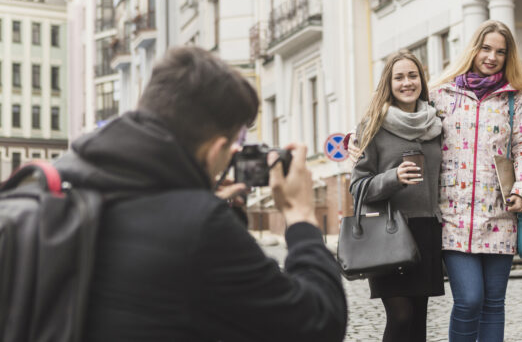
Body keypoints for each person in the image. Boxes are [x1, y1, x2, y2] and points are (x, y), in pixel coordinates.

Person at [54, 46, 347, 342]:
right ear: (215, 151)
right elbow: (318, 325)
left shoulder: (62, 179)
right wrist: (301, 216)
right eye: (234, 142)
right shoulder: (199, 226)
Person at [429, 20, 522, 342]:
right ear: (473, 49)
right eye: (486, 48)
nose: (492, 57)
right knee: (469, 300)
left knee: (493, 304)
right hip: (453, 215)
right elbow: (404, 123)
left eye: (500, 52)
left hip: (500, 213)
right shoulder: (442, 94)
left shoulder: (515, 98)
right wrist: (358, 140)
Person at [350, 51, 444, 342]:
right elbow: (358, 186)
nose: (407, 83)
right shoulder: (372, 126)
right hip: (388, 232)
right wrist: (394, 178)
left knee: (418, 320)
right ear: (388, 84)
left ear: (422, 80)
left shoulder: (435, 125)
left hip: (426, 228)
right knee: (401, 316)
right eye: (399, 77)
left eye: (413, 76)